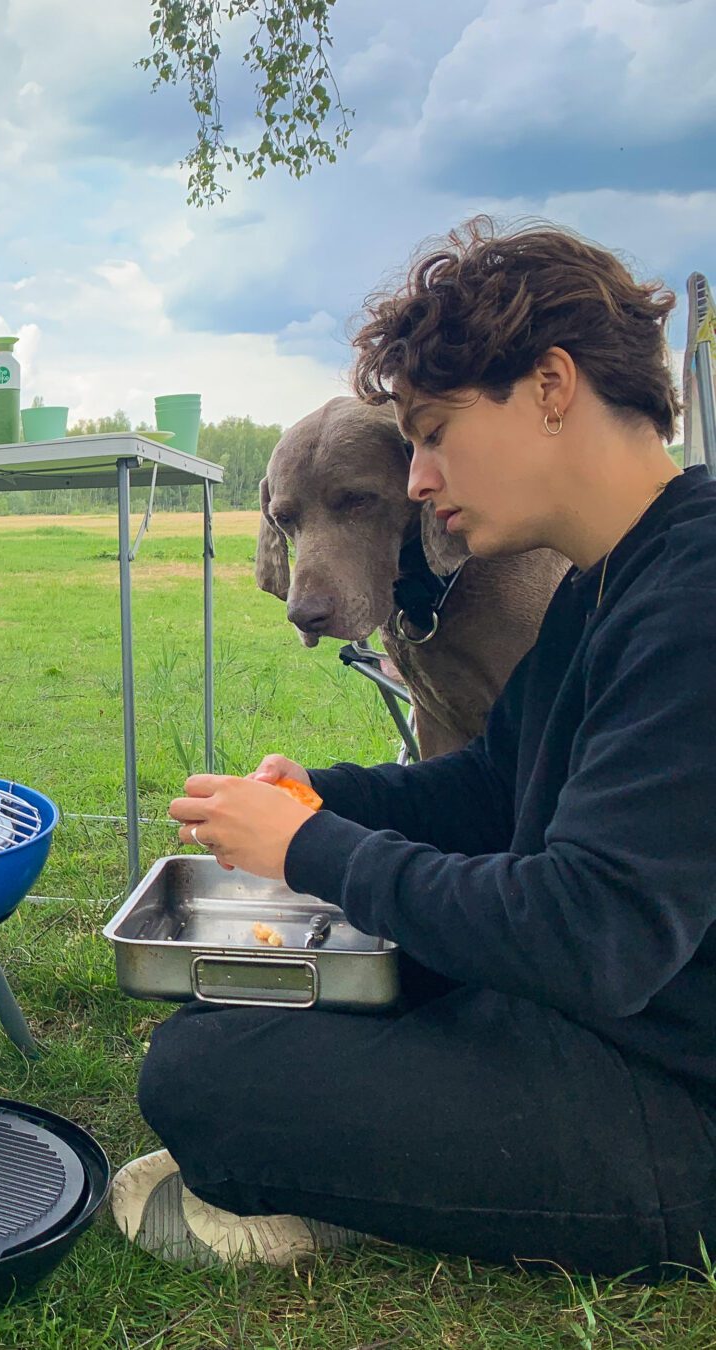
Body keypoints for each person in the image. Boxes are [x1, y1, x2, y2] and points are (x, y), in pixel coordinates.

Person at [111, 218, 716, 1279]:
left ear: (551, 387)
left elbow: (593, 931)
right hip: (593, 1012)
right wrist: (328, 800)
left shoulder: (697, 594)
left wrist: (315, 853)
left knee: (203, 1080)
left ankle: (379, 1191)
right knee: (228, 1010)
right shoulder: (608, 579)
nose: (421, 478)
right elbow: (495, 784)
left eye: (435, 431)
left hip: (674, 1099)